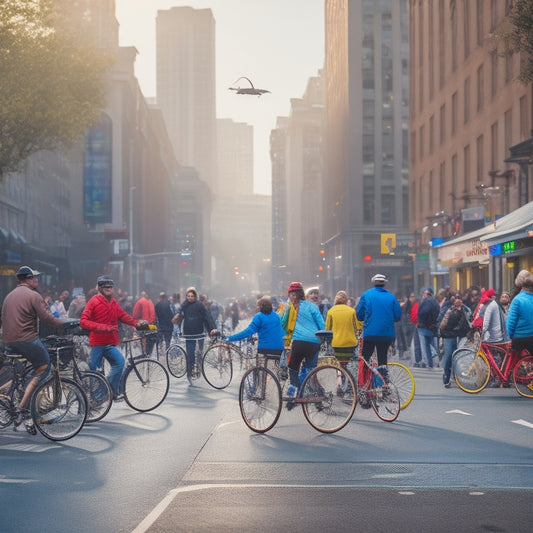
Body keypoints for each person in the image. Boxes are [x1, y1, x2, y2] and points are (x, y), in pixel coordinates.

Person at [1, 266, 66, 429]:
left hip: (9, 341)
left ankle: (16, 392)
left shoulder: (9, 296)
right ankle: (22, 410)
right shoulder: (33, 295)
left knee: (22, 373)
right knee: (43, 367)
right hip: (26, 339)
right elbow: (48, 318)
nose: (37, 280)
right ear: (28, 280)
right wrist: (67, 323)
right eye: (35, 278)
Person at [80, 276, 147, 400]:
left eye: (110, 287)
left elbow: (123, 316)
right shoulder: (93, 301)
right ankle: (92, 397)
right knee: (93, 373)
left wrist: (137, 323)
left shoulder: (114, 302)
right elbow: (83, 321)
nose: (109, 289)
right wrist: (105, 327)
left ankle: (108, 392)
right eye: (106, 287)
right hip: (97, 343)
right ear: (100, 288)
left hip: (110, 343)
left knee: (119, 363)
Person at [280, 281, 325, 404]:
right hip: (315, 342)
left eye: (293, 295)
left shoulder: (288, 307)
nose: (293, 297)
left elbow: (282, 323)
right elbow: (322, 325)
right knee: (309, 369)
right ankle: (316, 396)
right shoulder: (312, 307)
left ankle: (293, 392)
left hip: (299, 342)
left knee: (293, 366)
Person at [356, 274, 401, 378]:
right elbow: (397, 316)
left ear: (373, 283)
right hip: (387, 333)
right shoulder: (392, 297)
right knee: (382, 358)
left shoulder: (366, 295)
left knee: (365, 359)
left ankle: (364, 383)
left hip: (370, 333)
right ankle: (384, 383)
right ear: (384, 284)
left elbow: (359, 315)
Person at [172, 287, 217, 386]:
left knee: (199, 354)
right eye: (188, 296)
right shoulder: (183, 306)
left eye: (192, 296)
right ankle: (190, 372)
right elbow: (180, 317)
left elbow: (207, 317)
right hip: (188, 333)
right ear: (186, 296)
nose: (190, 297)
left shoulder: (200, 305)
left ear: (195, 296)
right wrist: (176, 318)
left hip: (199, 333)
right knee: (190, 354)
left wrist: (212, 329)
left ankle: (199, 371)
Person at [226, 296, 284, 363]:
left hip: (265, 349)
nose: (256, 308)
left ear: (260, 307)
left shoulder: (259, 316)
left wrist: (230, 338)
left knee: (258, 367)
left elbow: (247, 332)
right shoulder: (276, 316)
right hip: (279, 348)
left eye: (257, 306)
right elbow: (278, 332)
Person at [439, 295, 470, 387]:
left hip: (459, 336)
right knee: (449, 356)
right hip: (449, 336)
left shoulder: (465, 310)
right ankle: (447, 377)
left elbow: (469, 319)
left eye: (460, 299)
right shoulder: (448, 309)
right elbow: (442, 323)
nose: (458, 301)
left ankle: (455, 376)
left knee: (457, 356)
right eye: (456, 299)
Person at [325, 290, 362, 364]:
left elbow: (327, 329)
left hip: (337, 343)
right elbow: (358, 327)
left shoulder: (331, 311)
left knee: (340, 363)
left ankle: (341, 374)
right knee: (349, 363)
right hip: (351, 343)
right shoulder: (352, 311)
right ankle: (348, 374)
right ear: (346, 300)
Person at [506, 271, 533, 357]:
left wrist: (507, 338)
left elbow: (510, 323)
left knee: (515, 366)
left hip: (519, 339)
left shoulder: (517, 300)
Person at [417, 286, 440, 369]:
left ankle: (431, 360)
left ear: (426, 294)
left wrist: (421, 321)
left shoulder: (427, 301)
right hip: (432, 327)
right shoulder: (435, 302)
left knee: (425, 345)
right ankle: (431, 363)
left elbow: (423, 313)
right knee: (429, 344)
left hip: (424, 327)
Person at [133, 291, 157, 356]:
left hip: (142, 324)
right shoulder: (150, 302)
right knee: (150, 338)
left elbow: (135, 314)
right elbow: (153, 315)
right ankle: (148, 353)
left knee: (141, 338)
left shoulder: (139, 302)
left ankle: (143, 353)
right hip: (150, 325)